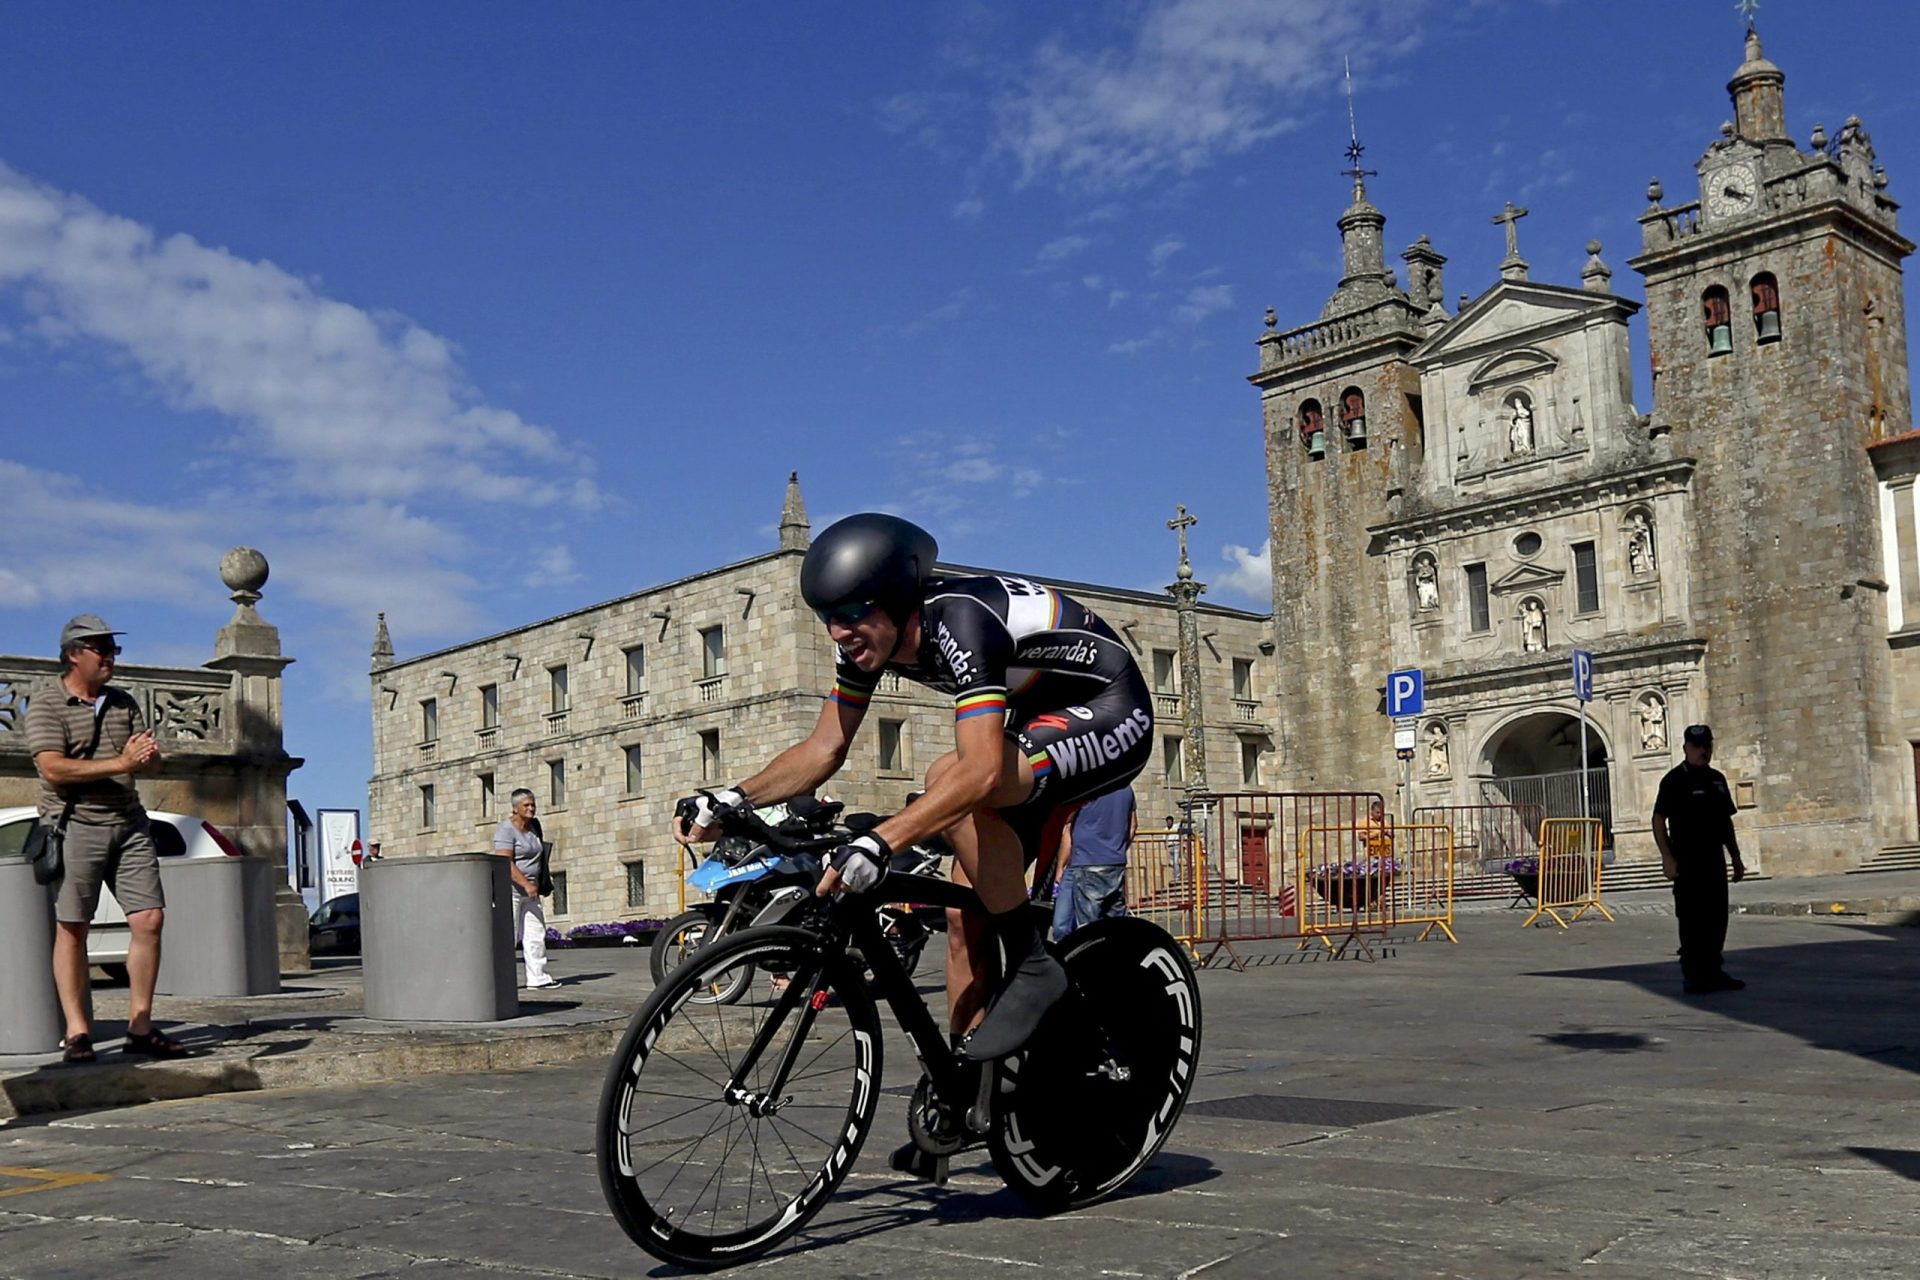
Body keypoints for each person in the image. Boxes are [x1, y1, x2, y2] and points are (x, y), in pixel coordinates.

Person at [672, 512, 1154, 1068]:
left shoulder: (961, 621)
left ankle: (1032, 964)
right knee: (962, 916)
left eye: (853, 614)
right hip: (1031, 721)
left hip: (1111, 707)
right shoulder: (863, 645)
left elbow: (977, 773)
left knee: (944, 777)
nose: (839, 632)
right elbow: (824, 749)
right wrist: (733, 797)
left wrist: (881, 843)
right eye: (828, 618)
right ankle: (964, 1085)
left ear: (899, 600)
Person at [26, 614, 188, 1063]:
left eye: (113, 649)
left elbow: (143, 763)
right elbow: (54, 769)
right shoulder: (45, 705)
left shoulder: (122, 702)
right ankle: (78, 1032)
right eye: (101, 649)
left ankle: (140, 1026)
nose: (111, 657)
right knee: (73, 927)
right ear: (74, 654)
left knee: (149, 919)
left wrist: (149, 759)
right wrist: (121, 763)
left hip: (130, 823)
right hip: (75, 823)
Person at [1652, 724, 1747, 994]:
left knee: (1716, 918)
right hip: (1686, 861)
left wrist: (1736, 857)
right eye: (1696, 746)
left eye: (1707, 745)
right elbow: (1658, 819)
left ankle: (1714, 971)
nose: (1703, 751)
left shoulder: (1717, 779)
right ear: (1685, 748)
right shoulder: (1673, 780)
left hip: (1713, 860)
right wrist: (1666, 858)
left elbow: (1725, 821)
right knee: (1692, 919)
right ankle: (1693, 975)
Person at [1049, 785, 1136, 941]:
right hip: (1103, 862)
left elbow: (1066, 819)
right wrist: (1116, 849)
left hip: (1088, 863)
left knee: (1089, 930)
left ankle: (1088, 961)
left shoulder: (1089, 784)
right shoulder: (1126, 788)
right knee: (1112, 922)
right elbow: (1132, 826)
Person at [494, 789, 557, 989]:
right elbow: (505, 861)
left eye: (533, 804)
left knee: (535, 931)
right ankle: (502, 981)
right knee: (508, 935)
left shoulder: (534, 827)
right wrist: (526, 884)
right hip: (511, 890)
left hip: (532, 891)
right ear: (515, 808)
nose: (531, 808)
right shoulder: (506, 829)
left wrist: (537, 884)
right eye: (526, 805)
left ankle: (538, 977)